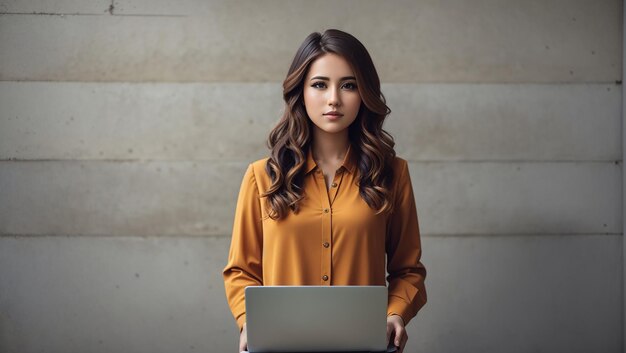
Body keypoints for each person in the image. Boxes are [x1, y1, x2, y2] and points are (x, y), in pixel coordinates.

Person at [222, 29, 427, 353]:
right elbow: (241, 271)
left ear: (364, 94)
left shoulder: (392, 174)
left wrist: (395, 313)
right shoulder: (262, 177)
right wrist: (250, 322)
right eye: (320, 84)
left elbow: (408, 270)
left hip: (365, 345)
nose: (334, 98)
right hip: (279, 345)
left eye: (349, 85)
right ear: (300, 91)